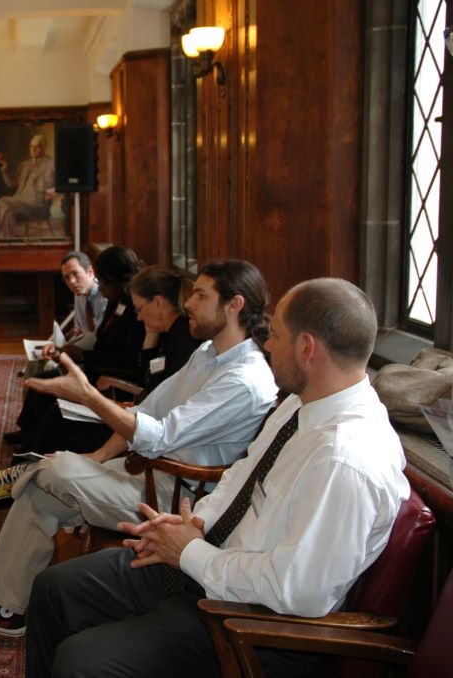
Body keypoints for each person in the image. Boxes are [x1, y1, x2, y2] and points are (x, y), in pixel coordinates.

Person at [24, 278, 410, 678]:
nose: (268, 346)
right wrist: (195, 523)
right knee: (56, 588)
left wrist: (191, 553)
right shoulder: (301, 404)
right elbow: (239, 476)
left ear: (307, 347)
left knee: (82, 661)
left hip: (256, 624)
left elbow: (298, 593)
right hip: (212, 568)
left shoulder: (345, 459)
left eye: (276, 336)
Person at [0, 260, 278, 637]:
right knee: (45, 488)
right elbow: (147, 410)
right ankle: (4, 610)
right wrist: (97, 458)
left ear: (234, 305)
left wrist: (87, 394)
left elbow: (159, 434)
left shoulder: (244, 380)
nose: (189, 303)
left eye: (201, 295)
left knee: (51, 472)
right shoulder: (209, 353)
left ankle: (29, 470)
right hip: (156, 472)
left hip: (181, 501)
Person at [11, 264, 201, 455]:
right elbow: (150, 374)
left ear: (158, 303)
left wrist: (126, 406)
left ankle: (25, 466)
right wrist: (150, 339)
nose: (139, 318)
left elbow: (161, 393)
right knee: (57, 413)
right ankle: (25, 462)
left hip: (145, 429)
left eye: (140, 309)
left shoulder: (182, 337)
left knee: (57, 418)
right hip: (138, 413)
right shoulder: (170, 332)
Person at [0, 134, 56, 237]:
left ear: (43, 147)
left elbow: (62, 184)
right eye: (31, 146)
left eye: (37, 146)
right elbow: (11, 183)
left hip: (37, 205)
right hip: (20, 201)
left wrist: (50, 195)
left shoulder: (51, 163)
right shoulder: (25, 164)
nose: (33, 149)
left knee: (2, 201)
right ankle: (8, 242)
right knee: (8, 214)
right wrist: (5, 167)